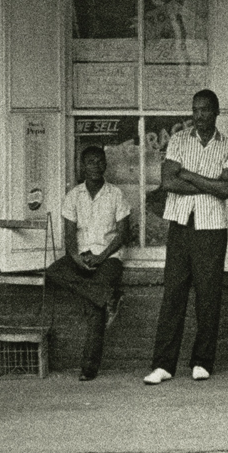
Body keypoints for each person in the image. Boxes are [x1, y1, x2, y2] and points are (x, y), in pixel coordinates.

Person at [146, 90, 228, 385]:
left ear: (216, 112)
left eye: (206, 110)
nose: (199, 115)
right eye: (195, 110)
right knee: (173, 295)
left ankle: (202, 361)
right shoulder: (178, 140)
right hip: (181, 225)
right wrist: (208, 184)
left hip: (212, 228)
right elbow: (167, 181)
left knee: (208, 296)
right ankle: (163, 365)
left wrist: (190, 175)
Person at [45, 145, 129, 380]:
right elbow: (69, 235)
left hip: (108, 258)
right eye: (91, 162)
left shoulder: (116, 195)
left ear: (106, 165)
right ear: (83, 167)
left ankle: (88, 369)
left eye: (100, 161)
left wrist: (101, 257)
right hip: (81, 257)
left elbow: (123, 235)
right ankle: (108, 296)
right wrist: (75, 258)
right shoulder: (73, 196)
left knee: (94, 309)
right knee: (53, 271)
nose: (96, 166)